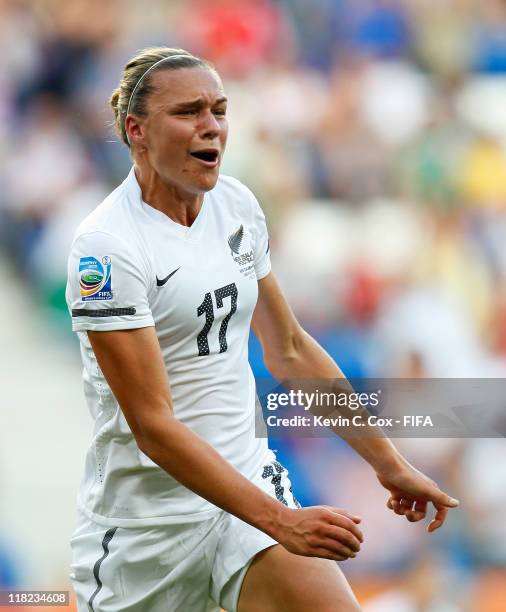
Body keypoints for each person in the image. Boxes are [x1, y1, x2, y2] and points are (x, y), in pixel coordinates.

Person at [66, 47, 459, 612]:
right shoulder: (106, 248)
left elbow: (290, 348)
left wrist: (389, 465)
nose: (211, 126)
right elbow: (152, 425)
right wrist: (284, 521)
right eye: (188, 112)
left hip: (246, 506)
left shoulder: (237, 207)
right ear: (137, 131)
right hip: (146, 531)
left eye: (219, 109)